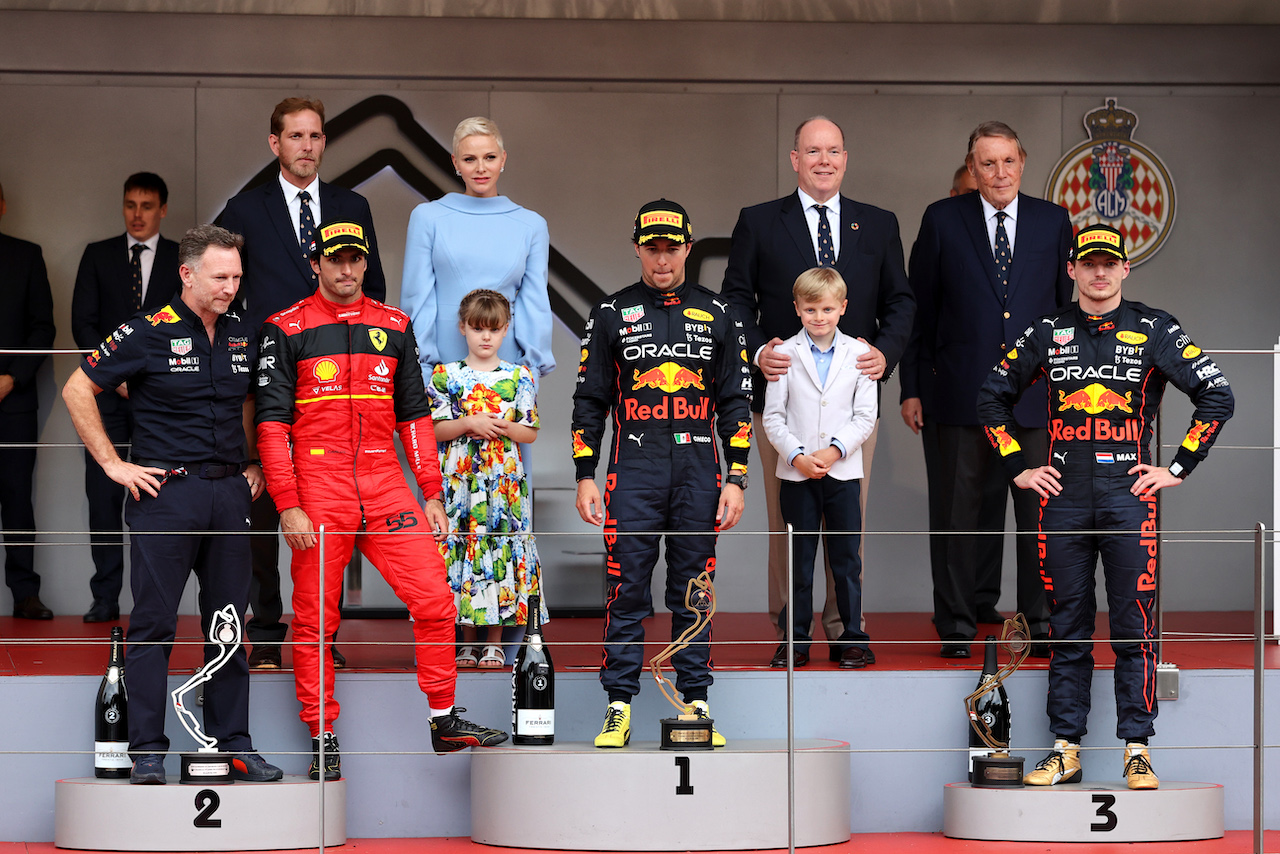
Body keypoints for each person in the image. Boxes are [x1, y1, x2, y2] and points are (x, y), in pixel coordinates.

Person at [977, 224, 1234, 790]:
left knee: (1132, 628)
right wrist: (1019, 465)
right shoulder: (1047, 329)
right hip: (1062, 499)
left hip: (1129, 498)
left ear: (1124, 270)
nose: (1099, 273)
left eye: (1109, 264)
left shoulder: (1155, 328)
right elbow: (990, 397)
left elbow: (1217, 397)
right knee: (1066, 628)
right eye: (1088, 264)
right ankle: (1065, 747)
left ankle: (1137, 750)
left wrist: (1177, 469)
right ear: (1072, 270)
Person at [255, 220, 507, 780]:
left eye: (356, 260)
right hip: (319, 487)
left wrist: (433, 494)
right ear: (315, 263)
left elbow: (414, 417)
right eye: (335, 260)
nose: (346, 270)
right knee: (316, 620)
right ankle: (322, 735)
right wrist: (288, 502)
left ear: (366, 263)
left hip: (385, 481)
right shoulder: (284, 327)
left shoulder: (394, 326)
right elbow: (272, 425)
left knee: (438, 603)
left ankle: (444, 719)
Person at [62, 224, 282, 786]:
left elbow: (250, 399)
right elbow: (76, 388)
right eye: (219, 276)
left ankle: (235, 743)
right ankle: (147, 751)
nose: (231, 286)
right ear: (187, 274)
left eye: (236, 276)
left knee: (230, 625)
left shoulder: (245, 331)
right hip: (166, 494)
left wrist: (254, 459)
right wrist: (114, 464)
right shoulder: (144, 331)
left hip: (231, 492)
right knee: (153, 625)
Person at [722, 116, 914, 662]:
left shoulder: (877, 224)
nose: (823, 160)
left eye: (833, 151)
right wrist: (759, 352)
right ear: (794, 159)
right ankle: (792, 630)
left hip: (854, 401)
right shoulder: (759, 222)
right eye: (813, 151)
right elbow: (735, 301)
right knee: (790, 527)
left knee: (845, 525)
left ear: (846, 158)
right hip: (783, 399)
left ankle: (844, 626)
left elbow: (901, 301)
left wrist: (886, 351)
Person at [573, 200, 752, 748]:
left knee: (693, 590)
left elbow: (737, 404)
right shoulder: (609, 312)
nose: (661, 259)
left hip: (701, 469)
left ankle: (695, 702)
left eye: (671, 248)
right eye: (651, 248)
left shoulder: (721, 314)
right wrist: (584, 474)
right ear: (637, 249)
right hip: (634, 469)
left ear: (688, 249)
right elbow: (589, 399)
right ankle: (619, 705)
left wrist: (736, 478)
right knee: (624, 589)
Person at [219, 96, 386, 669]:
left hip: (337, 378)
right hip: (266, 376)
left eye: (315, 136)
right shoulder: (242, 210)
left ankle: (323, 637)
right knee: (267, 501)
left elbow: (373, 289)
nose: (307, 147)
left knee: (334, 511)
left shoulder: (352, 204)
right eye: (295, 137)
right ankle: (264, 634)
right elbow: (226, 293)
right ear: (275, 144)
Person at [900, 121, 1073, 659]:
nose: (999, 172)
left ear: (1023, 162)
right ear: (971, 169)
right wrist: (911, 387)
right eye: (987, 163)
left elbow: (1066, 311)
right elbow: (919, 311)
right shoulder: (942, 218)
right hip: (956, 392)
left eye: (1007, 161)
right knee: (957, 513)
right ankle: (955, 625)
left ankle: (1038, 623)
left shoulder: (1054, 221)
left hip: (1035, 396)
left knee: (1038, 514)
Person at [70, 172, 182, 623]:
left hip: (161, 397)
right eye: (130, 204)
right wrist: (115, 377)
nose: (138, 214)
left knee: (159, 494)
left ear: (163, 209)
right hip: (106, 396)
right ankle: (105, 597)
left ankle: (152, 600)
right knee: (103, 493)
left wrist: (146, 379)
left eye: (147, 205)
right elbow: (83, 324)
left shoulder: (180, 258)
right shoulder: (98, 256)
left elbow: (185, 324)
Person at [762, 267, 877, 668]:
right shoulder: (784, 355)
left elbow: (866, 416)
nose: (819, 317)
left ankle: (852, 639)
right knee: (799, 559)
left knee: (846, 560)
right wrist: (797, 456)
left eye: (827, 308)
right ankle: (794, 641)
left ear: (843, 308)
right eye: (810, 309)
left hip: (842, 472)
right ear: (797, 309)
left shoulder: (861, 355)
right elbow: (772, 417)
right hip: (796, 474)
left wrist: (832, 452)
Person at [428, 289, 547, 669]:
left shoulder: (519, 376)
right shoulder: (445, 375)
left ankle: (494, 642)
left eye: (493, 330)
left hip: (503, 482)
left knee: (498, 550)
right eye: (477, 328)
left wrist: (502, 426)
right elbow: (433, 429)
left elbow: (530, 432)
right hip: (460, 482)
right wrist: (468, 423)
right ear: (462, 327)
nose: (485, 337)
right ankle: (464, 640)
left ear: (505, 329)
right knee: (461, 548)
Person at [401, 116, 554, 385]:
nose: (480, 168)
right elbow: (417, 302)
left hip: (508, 374)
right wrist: (422, 373)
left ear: (503, 159)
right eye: (470, 159)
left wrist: (529, 377)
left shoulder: (531, 225)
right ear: (455, 162)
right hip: (439, 374)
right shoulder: (427, 217)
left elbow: (535, 307)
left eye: (490, 157)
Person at [0, 180, 56, 620]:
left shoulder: (25, 255)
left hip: (12, 403)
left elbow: (43, 329)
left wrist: (11, 378)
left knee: (18, 499)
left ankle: (25, 594)